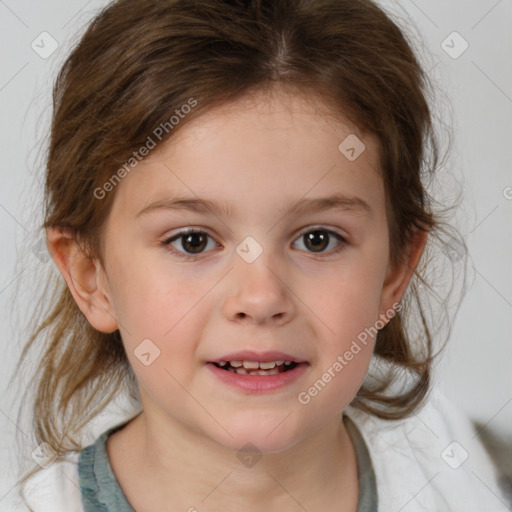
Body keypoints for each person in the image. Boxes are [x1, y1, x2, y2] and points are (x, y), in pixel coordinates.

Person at [11, 0, 511, 510]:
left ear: (395, 272)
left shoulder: (451, 465)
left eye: (318, 239)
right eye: (193, 241)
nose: (261, 297)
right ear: (91, 276)